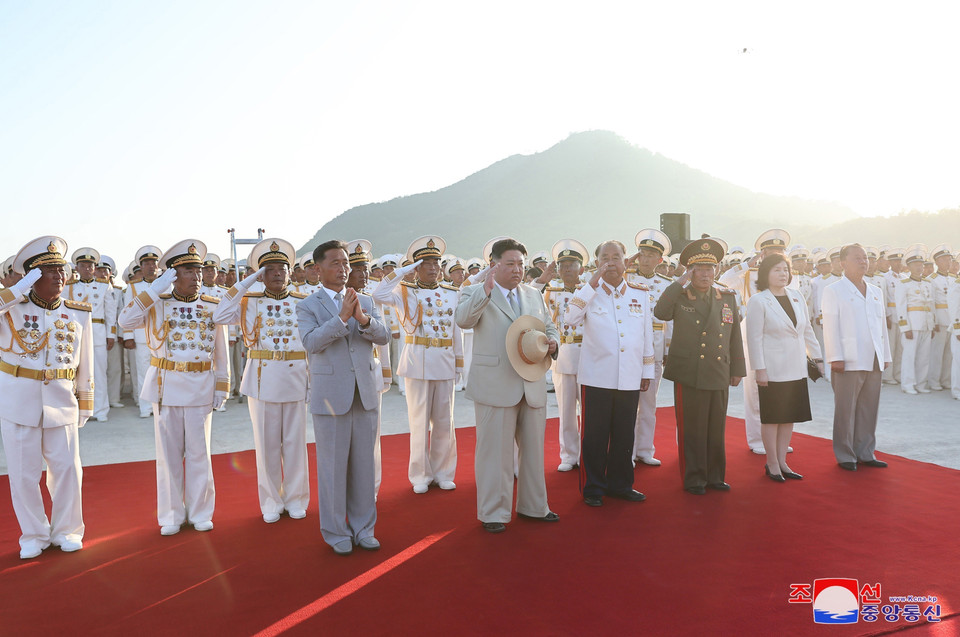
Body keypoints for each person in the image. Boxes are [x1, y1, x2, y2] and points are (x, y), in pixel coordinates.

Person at [118, 240, 231, 534]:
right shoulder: (157, 303)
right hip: (166, 386)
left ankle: (201, 511)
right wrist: (153, 290)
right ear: (173, 275)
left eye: (198, 270)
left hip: (201, 385)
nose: (196, 277)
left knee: (199, 452)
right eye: (189, 271)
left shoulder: (211, 306)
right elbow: (125, 320)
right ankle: (170, 515)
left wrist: (222, 387)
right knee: (168, 455)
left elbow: (221, 351)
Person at [455, 238, 560, 533]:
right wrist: (485, 291)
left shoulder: (532, 295)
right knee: (494, 453)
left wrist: (554, 343)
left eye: (520, 265)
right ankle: (493, 513)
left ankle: (534, 507)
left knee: (533, 451)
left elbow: (548, 326)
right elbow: (463, 320)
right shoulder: (473, 292)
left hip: (531, 380)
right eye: (510, 264)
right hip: (495, 383)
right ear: (494, 265)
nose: (517, 270)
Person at [0, 236, 94, 559]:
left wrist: (87, 401)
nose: (59, 275)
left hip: (61, 400)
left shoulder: (78, 313)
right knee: (24, 473)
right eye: (49, 270)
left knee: (68, 469)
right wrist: (19, 288)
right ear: (32, 276)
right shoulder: (10, 308)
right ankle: (34, 533)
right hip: (19, 401)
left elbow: (85, 361)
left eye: (60, 269)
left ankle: (67, 528)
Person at [297, 240, 389, 555]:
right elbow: (311, 342)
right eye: (335, 263)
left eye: (346, 263)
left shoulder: (365, 300)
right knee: (333, 468)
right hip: (330, 396)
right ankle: (336, 532)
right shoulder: (307, 305)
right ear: (317, 269)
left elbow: (384, 336)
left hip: (364, 392)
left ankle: (364, 529)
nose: (343, 269)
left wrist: (362, 319)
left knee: (364, 466)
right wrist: (341, 319)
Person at [213, 238, 311, 524]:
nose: (277, 273)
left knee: (294, 443)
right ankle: (270, 500)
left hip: (295, 375)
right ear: (260, 274)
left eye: (282, 268)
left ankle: (295, 498)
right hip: (262, 378)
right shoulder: (248, 301)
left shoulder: (303, 301)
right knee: (267, 444)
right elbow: (219, 315)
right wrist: (245, 284)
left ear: (290, 272)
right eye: (269, 269)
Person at [565, 240, 654, 506]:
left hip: (629, 375)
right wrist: (590, 284)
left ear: (627, 262)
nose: (611, 262)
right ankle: (593, 487)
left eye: (617, 257)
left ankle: (621, 484)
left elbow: (646, 334)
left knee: (625, 434)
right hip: (597, 376)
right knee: (595, 434)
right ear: (596, 264)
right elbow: (570, 318)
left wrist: (646, 370)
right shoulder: (590, 292)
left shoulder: (640, 293)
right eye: (605, 257)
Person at [373, 235, 463, 494]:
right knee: (419, 421)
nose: (433, 268)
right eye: (426, 263)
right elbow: (379, 293)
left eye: (436, 263)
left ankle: (444, 471)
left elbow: (455, 330)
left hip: (444, 361)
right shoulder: (403, 292)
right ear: (416, 267)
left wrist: (458, 363)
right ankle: (420, 474)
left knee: (445, 421)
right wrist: (402, 271)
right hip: (417, 363)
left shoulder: (451, 294)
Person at [655, 238, 745, 495]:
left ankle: (716, 475)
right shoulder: (681, 295)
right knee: (692, 427)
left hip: (718, 370)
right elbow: (660, 312)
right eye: (699, 269)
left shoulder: (726, 297)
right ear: (690, 271)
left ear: (716, 270)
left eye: (710, 269)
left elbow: (734, 335)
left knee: (716, 426)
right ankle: (694, 477)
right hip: (689, 371)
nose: (706, 274)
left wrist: (737, 368)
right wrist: (680, 281)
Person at [745, 254, 823, 482]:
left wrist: (817, 358)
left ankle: (782, 462)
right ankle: (771, 464)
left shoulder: (796, 296)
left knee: (789, 416)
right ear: (765, 274)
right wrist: (759, 369)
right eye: (777, 270)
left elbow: (807, 329)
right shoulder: (759, 301)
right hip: (772, 369)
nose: (782, 274)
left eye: (785, 270)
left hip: (796, 366)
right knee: (772, 417)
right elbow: (754, 338)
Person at [719, 229, 792, 455]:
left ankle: (778, 439)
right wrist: (744, 264)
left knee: (781, 389)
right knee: (755, 392)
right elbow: (723, 282)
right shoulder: (749, 275)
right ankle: (756, 440)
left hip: (781, 340)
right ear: (762, 253)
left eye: (779, 250)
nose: (775, 254)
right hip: (754, 338)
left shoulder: (788, 274)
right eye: (771, 250)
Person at [821, 244, 891, 471]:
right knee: (846, 409)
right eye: (857, 258)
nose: (863, 261)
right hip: (848, 359)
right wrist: (835, 357)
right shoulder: (834, 290)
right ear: (843, 263)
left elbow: (881, 327)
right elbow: (830, 327)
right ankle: (846, 454)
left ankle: (866, 451)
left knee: (869, 407)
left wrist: (886, 355)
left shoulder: (875, 291)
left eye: (865, 258)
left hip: (873, 357)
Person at [538, 239, 588, 472]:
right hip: (564, 355)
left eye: (571, 264)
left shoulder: (590, 291)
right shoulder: (550, 292)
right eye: (563, 265)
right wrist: (543, 280)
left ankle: (590, 453)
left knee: (591, 412)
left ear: (581, 267)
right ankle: (568, 454)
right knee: (566, 409)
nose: (566, 268)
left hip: (589, 355)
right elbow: (529, 296)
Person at [626, 229, 674, 466]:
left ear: (660, 260)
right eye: (642, 254)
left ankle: (645, 449)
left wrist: (668, 350)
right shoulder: (625, 280)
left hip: (653, 350)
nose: (645, 259)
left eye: (651, 255)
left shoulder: (666, 284)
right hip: (629, 349)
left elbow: (670, 321)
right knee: (628, 403)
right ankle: (628, 450)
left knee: (648, 403)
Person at [64, 248, 117, 422]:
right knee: (77, 373)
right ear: (76, 268)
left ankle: (101, 410)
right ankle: (81, 410)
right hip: (77, 334)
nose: (87, 268)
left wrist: (111, 334)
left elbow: (110, 313)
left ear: (94, 268)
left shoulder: (104, 285)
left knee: (99, 373)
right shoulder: (69, 287)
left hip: (99, 333)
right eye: (83, 265)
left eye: (90, 265)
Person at [895, 245, 934, 395]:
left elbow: (931, 306)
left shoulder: (928, 283)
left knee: (924, 356)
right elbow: (901, 307)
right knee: (909, 355)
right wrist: (905, 328)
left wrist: (931, 324)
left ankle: (921, 383)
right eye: (916, 265)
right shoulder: (903, 284)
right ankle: (908, 383)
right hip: (912, 324)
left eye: (921, 265)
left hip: (926, 324)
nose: (919, 267)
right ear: (909, 266)